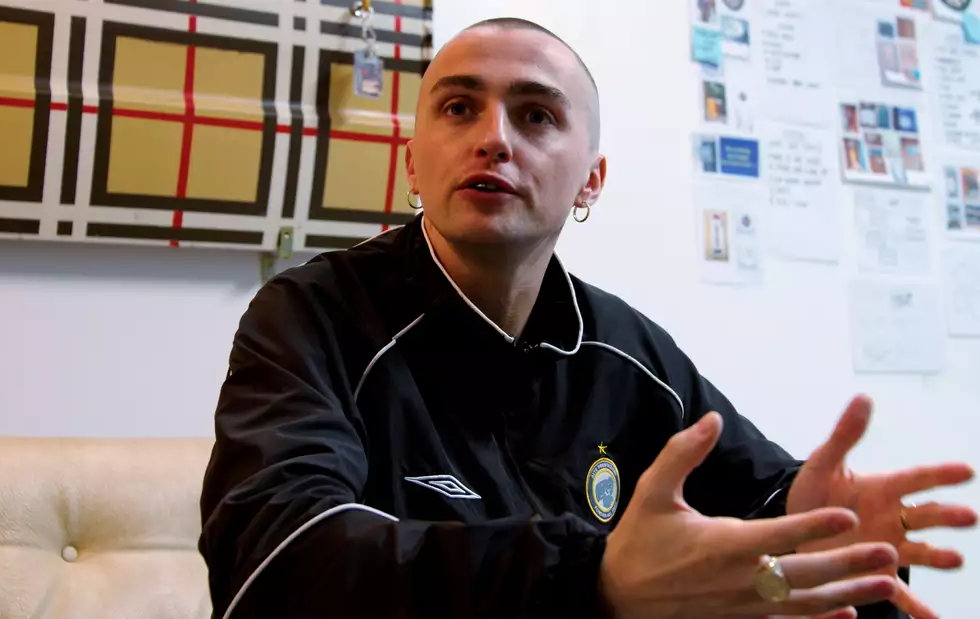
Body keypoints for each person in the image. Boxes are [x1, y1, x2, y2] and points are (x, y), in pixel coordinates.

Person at [198, 17, 976, 619]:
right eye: (459, 107)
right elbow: (275, 563)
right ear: (413, 158)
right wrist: (592, 580)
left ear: (590, 181)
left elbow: (765, 506)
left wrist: (814, 525)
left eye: (535, 116)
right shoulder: (311, 315)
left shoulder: (630, 352)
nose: (493, 139)